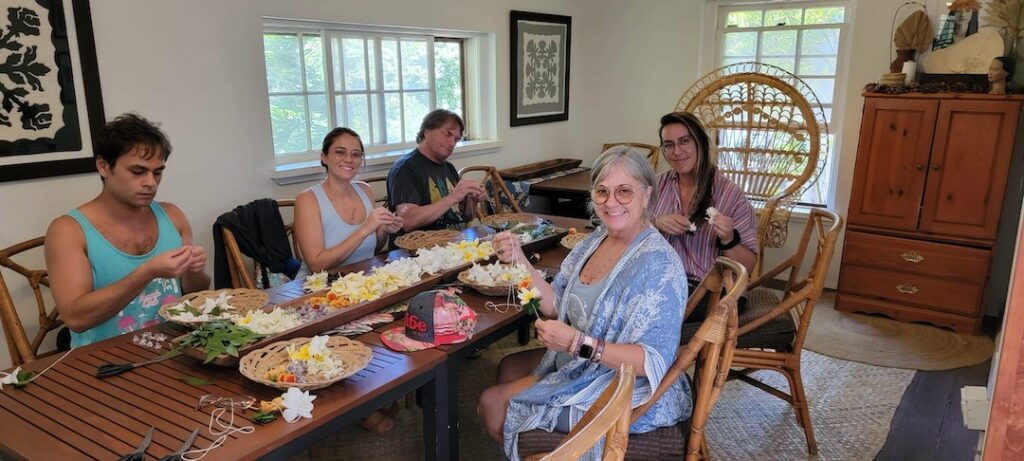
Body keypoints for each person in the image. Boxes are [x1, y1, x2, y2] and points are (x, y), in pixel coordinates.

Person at [477, 146, 690, 460]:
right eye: (602, 191)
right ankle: (529, 443)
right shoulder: (594, 241)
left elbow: (649, 362)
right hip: (582, 362)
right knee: (509, 366)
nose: (611, 202)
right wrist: (519, 258)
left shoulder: (658, 266)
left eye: (624, 192)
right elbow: (555, 306)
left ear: (647, 195)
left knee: (492, 404)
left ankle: (543, 445)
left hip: (623, 385)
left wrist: (578, 343)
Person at [45, 113, 210, 348]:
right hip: (104, 363)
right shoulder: (68, 230)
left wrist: (195, 270)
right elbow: (76, 318)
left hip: (175, 350)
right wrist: (146, 272)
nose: (150, 183)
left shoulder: (172, 216)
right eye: (137, 171)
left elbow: (195, 294)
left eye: (158, 172)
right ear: (103, 166)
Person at [651, 111, 757, 320]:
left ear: (700, 142)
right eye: (669, 145)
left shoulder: (730, 194)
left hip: (715, 294)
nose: (677, 151)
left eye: (684, 141)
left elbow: (748, 267)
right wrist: (655, 222)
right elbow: (626, 232)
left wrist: (728, 239)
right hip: (662, 283)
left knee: (645, 313)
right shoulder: (656, 186)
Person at [294, 127, 403, 273]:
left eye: (356, 154)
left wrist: (383, 230)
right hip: (319, 287)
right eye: (340, 152)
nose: (349, 159)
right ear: (324, 157)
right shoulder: (307, 199)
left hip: (362, 281)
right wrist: (365, 229)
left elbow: (371, 248)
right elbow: (316, 265)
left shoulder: (365, 190)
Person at [386, 109, 486, 235]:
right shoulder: (406, 168)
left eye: (456, 139)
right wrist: (453, 197)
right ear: (427, 131)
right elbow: (407, 221)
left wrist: (473, 199)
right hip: (421, 250)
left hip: (454, 244)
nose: (451, 143)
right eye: (447, 134)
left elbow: (465, 217)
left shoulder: (448, 167)